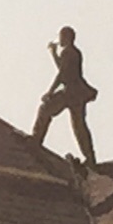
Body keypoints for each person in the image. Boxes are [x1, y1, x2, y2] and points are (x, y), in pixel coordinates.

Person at [30, 25, 99, 170]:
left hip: (71, 92)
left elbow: (62, 75)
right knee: (79, 126)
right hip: (76, 93)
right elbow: (63, 69)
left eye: (61, 36)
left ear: (66, 37)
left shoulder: (69, 52)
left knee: (45, 109)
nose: (59, 39)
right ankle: (90, 157)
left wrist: (50, 92)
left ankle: (36, 141)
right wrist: (54, 54)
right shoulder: (74, 52)